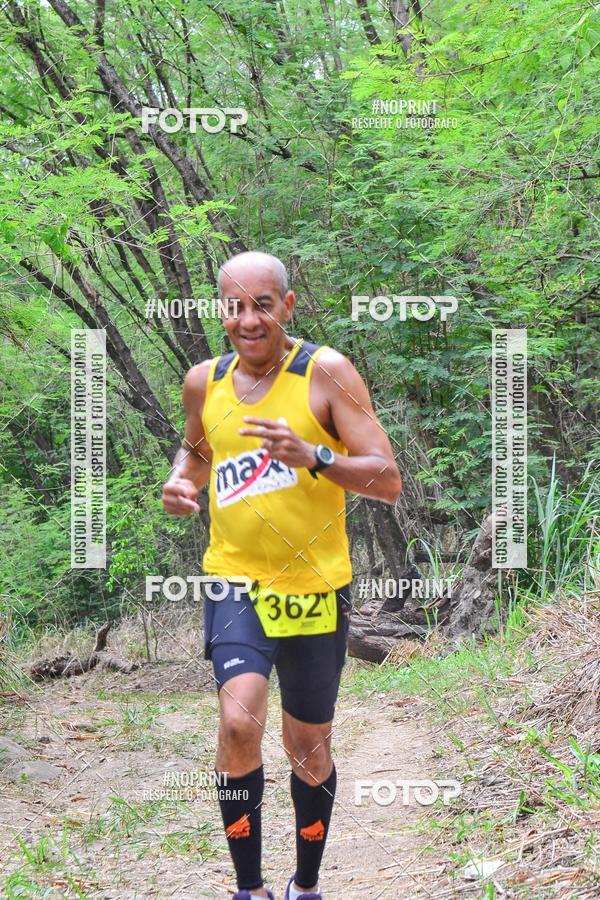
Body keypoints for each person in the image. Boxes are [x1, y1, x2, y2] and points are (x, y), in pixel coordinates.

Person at [161, 251, 402, 899]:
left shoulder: (325, 373)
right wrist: (183, 482)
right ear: (221, 311)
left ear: (287, 307)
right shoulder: (201, 381)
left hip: (315, 590)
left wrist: (315, 455)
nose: (248, 320)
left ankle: (306, 884)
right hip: (235, 581)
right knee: (239, 723)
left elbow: (387, 478)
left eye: (262, 305)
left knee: (307, 746)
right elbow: (198, 451)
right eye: (235, 307)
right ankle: (249, 888)